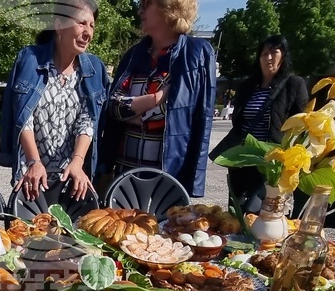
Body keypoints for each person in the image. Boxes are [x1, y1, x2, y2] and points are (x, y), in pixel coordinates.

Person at [98, 0, 216, 198]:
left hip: (168, 175)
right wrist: (156, 98)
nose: (140, 10)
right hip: (125, 173)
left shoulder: (197, 54)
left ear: (169, 8)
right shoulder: (134, 55)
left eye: (147, 4)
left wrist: (135, 113)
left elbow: (195, 118)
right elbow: (112, 106)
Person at [0, 0, 109, 201]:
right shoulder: (29, 59)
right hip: (32, 177)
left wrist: (77, 162)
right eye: (82, 23)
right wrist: (34, 162)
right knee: (30, 231)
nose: (88, 32)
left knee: (73, 231)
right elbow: (24, 117)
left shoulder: (94, 68)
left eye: (92, 26)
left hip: (72, 179)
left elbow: (88, 120)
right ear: (59, 26)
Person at [211, 35, 308, 213]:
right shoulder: (248, 85)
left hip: (270, 160)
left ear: (283, 55)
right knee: (237, 208)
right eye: (264, 53)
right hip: (243, 157)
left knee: (262, 209)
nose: (268, 58)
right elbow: (239, 120)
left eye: (274, 52)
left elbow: (301, 123)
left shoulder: (294, 84)